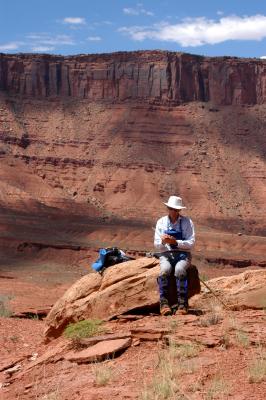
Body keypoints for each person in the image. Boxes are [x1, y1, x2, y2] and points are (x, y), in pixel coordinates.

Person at [154, 195, 195, 316]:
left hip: (183, 254)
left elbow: (191, 243)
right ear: (168, 208)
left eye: (176, 209)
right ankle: (164, 304)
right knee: (165, 270)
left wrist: (176, 242)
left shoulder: (187, 222)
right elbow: (156, 244)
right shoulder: (161, 222)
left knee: (179, 270)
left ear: (180, 210)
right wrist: (163, 241)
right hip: (166, 254)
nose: (174, 211)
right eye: (171, 209)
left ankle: (182, 305)